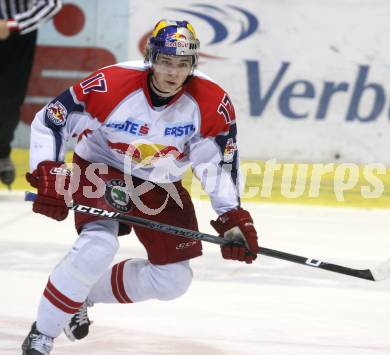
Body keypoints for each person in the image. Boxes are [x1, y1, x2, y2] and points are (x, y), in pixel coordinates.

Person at [21, 19, 259, 354]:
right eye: (165, 62)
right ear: (151, 58)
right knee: (98, 245)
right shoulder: (111, 84)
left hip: (160, 183)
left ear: (192, 65)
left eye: (182, 64)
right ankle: (42, 335)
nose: (173, 73)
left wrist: (231, 215)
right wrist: (48, 171)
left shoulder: (211, 103)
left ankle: (81, 296)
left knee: (174, 281)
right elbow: (51, 120)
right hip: (102, 165)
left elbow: (216, 164)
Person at [0, 0, 62, 189]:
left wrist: (13, 24)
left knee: (8, 101)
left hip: (15, 38)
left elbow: (51, 4)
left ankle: (2, 153)